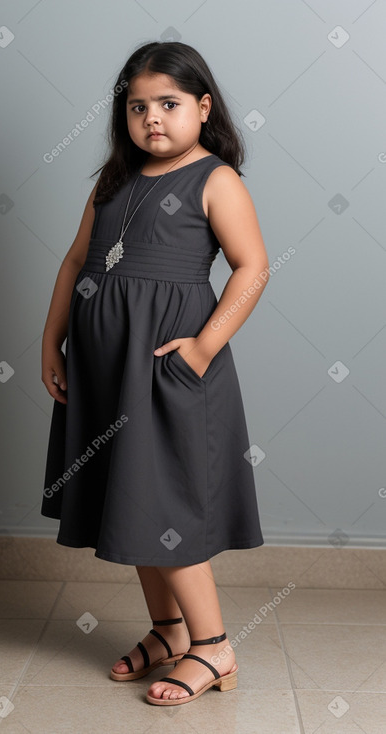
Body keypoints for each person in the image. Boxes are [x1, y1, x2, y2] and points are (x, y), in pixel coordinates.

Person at [40, 40, 270, 706]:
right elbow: (73, 263)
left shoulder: (214, 180)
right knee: (128, 495)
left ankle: (212, 645)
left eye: (168, 104)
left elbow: (251, 268)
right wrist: (51, 344)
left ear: (202, 107)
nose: (152, 120)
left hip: (166, 369)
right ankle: (167, 632)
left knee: (165, 500)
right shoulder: (111, 182)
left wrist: (200, 349)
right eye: (137, 107)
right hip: (103, 369)